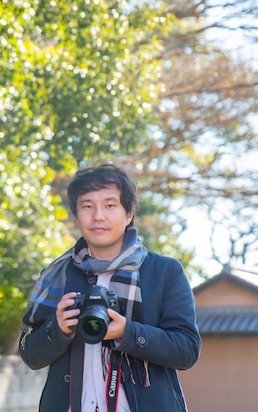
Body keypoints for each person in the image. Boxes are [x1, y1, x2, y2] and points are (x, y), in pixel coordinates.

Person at [19, 164, 201, 412]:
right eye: (87, 206)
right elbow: (30, 354)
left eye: (110, 205)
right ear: (76, 215)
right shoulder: (56, 275)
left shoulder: (164, 272)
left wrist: (128, 333)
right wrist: (57, 328)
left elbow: (186, 350)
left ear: (128, 214)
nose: (98, 216)